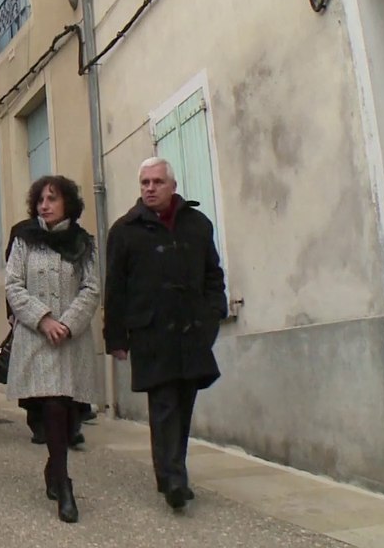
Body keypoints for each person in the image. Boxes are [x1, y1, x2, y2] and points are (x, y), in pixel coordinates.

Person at [104, 157, 226, 512]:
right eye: (144, 183)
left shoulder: (197, 224)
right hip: (151, 331)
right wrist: (116, 338)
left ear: (172, 186)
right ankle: (174, 478)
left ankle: (171, 471)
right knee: (163, 403)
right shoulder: (125, 230)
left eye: (157, 182)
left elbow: (212, 275)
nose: (150, 189)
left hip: (192, 331)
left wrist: (213, 313)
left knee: (184, 402)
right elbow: (116, 289)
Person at [5, 175, 100, 524]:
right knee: (52, 408)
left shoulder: (84, 243)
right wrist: (44, 320)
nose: (45, 205)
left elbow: (91, 288)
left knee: (71, 413)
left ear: (67, 204)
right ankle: (65, 485)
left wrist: (68, 323)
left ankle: (53, 470)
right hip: (37, 339)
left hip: (71, 341)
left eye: (52, 199)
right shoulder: (25, 241)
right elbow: (13, 285)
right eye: (41, 200)